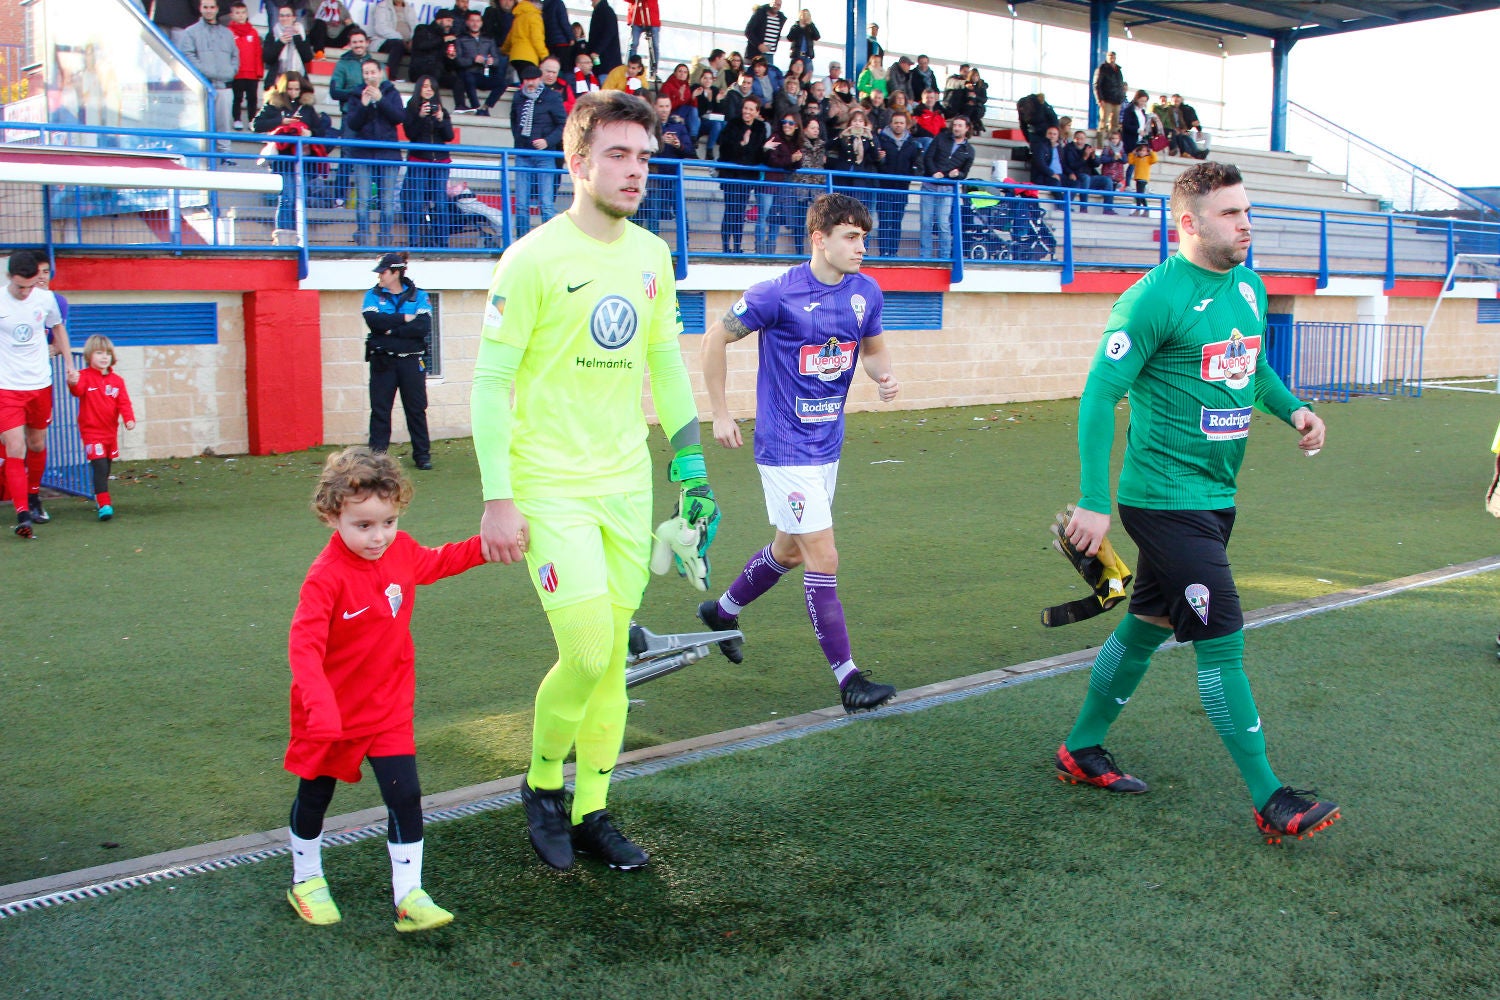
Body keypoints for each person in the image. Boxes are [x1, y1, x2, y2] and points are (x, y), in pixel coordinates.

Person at [471, 90, 720, 871]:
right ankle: (544, 785)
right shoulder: (532, 258)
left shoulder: (651, 255)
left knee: (611, 659)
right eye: (617, 154)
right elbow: (487, 384)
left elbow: (666, 364)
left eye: (645, 157)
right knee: (584, 649)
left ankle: (593, 810)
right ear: (576, 163)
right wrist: (496, 495)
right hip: (547, 484)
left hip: (625, 482)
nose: (635, 170)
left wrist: (692, 469)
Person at [1056, 161, 1340, 845]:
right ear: (1189, 222)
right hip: (1162, 500)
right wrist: (1095, 500)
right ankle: (1271, 798)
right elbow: (1099, 394)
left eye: (1247, 211)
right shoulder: (1152, 299)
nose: (1246, 224)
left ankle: (1080, 748)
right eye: (1231, 214)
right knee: (1222, 642)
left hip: (1216, 497)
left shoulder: (1247, 283)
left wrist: (1294, 408)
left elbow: (1254, 362)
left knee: (1149, 623)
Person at [699, 192, 900, 714]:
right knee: (822, 556)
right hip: (784, 448)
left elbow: (874, 352)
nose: (861, 247)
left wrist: (884, 378)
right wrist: (721, 413)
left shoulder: (866, 293)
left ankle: (721, 612)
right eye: (851, 237)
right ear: (820, 238)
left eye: (863, 237)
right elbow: (713, 340)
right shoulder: (776, 294)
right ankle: (848, 678)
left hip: (827, 447)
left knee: (788, 552)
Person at [283, 446, 488, 932]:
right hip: (330, 714)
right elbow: (303, 648)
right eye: (364, 526)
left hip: (389, 708)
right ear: (334, 516)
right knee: (315, 795)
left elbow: (437, 562)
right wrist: (320, 705)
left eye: (388, 522)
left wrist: (485, 547)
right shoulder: (325, 578)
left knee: (406, 795)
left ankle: (409, 894)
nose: (379, 537)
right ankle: (306, 878)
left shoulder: (399, 549)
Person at [0, 250, 73, 538]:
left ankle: (32, 496)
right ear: (9, 278)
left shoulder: (45, 298)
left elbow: (58, 329)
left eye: (30, 286)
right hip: (7, 387)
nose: (25, 292)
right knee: (15, 447)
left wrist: (69, 365)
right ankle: (22, 516)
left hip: (40, 384)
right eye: (20, 286)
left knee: (37, 444)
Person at [363, 252, 432, 468]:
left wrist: (391, 330)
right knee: (380, 410)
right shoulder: (372, 295)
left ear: (396, 272)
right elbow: (374, 321)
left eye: (383, 272)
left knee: (416, 409)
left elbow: (423, 326)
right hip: (383, 362)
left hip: (411, 362)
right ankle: (377, 459)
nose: (379, 276)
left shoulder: (419, 295)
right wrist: (404, 319)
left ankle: (422, 456)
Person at [63, 334, 135, 521]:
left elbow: (124, 402)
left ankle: (99, 494)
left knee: (106, 465)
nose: (104, 357)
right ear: (89, 355)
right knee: (100, 466)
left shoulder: (117, 381)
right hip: (91, 432)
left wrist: (129, 419)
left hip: (109, 432)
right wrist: (72, 381)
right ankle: (104, 504)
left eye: (107, 354)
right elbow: (77, 390)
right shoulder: (85, 377)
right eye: (99, 353)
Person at [253, 71, 321, 239]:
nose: (293, 92)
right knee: (288, 197)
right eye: (290, 89)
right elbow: (256, 125)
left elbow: (320, 132)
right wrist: (281, 122)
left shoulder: (308, 108)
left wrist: (308, 132)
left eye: (296, 89)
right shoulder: (273, 104)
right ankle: (283, 236)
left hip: (303, 160)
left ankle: (297, 236)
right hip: (283, 160)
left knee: (299, 199)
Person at [346, 58, 405, 244]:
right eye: (366, 73)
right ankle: (363, 238)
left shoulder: (392, 93)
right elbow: (352, 123)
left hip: (388, 154)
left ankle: (385, 240)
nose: (370, 76)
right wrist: (364, 105)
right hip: (363, 154)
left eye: (373, 72)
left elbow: (398, 117)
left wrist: (381, 100)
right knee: (363, 199)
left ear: (380, 73)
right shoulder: (356, 95)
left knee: (387, 201)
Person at [509, 63, 568, 235]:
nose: (530, 83)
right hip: (523, 153)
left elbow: (562, 125)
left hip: (544, 155)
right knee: (521, 204)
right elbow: (514, 121)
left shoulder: (552, 97)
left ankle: (548, 243)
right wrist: (520, 140)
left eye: (533, 79)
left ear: (539, 78)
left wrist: (547, 141)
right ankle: (522, 242)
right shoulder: (518, 97)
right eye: (527, 79)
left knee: (546, 203)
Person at [179, 0, 239, 151]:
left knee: (224, 125)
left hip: (224, 87)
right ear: (200, 8)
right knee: (201, 125)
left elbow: (235, 56)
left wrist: (231, 72)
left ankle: (225, 155)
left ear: (217, 9)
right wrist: (205, 72)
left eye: (212, 7)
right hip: (203, 87)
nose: (209, 10)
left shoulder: (227, 33)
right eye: (205, 7)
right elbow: (187, 56)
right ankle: (203, 157)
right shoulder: (190, 32)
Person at [403, 75, 455, 247]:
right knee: (416, 202)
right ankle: (415, 241)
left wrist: (440, 119)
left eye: (431, 87)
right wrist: (420, 116)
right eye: (424, 86)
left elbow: (449, 136)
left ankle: (442, 242)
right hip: (419, 160)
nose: (428, 90)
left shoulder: (441, 110)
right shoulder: (411, 108)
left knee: (440, 203)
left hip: (440, 162)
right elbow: (410, 134)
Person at [717, 92, 767, 254]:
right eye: (745, 108)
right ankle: (726, 247)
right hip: (730, 176)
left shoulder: (760, 128)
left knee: (739, 212)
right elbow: (725, 147)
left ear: (757, 112)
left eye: (751, 109)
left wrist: (762, 149)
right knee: (730, 211)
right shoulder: (733, 123)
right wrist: (742, 144)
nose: (747, 112)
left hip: (746, 178)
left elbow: (756, 152)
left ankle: (737, 246)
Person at [918, 115, 973, 258]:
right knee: (926, 222)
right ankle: (925, 256)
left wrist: (957, 174)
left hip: (947, 189)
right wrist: (934, 172)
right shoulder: (941, 138)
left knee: (943, 224)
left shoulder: (969, 150)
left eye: (960, 125)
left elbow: (964, 173)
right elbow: (928, 157)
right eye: (955, 125)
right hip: (929, 186)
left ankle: (944, 256)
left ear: (966, 128)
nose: (956, 128)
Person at [875, 109, 922, 256]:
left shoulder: (912, 144)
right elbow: (875, 162)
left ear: (906, 125)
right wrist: (879, 158)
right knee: (884, 220)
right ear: (891, 124)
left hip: (902, 189)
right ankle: (883, 253)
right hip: (884, 187)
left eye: (901, 123)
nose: (898, 125)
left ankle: (893, 252)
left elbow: (917, 165)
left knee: (896, 222)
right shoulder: (880, 140)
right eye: (896, 123)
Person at [761, 110, 803, 253]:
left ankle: (770, 250)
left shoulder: (796, 142)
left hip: (784, 186)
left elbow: (794, 167)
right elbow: (773, 161)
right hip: (770, 184)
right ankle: (761, 252)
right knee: (763, 218)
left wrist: (796, 160)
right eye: (784, 122)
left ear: (796, 126)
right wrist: (791, 159)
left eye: (791, 123)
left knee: (775, 219)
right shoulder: (775, 138)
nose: (787, 125)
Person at [456, 9, 507, 115]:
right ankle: (476, 107)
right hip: (469, 74)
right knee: (468, 77)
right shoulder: (461, 39)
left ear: (481, 23)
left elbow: (497, 60)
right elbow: (458, 61)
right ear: (467, 22)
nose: (475, 24)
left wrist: (492, 61)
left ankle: (486, 106)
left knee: (503, 82)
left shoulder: (489, 39)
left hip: (484, 74)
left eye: (478, 21)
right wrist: (473, 60)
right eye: (472, 21)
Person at [225, 1, 263, 130]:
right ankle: (236, 119)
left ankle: (252, 120)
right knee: (237, 98)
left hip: (252, 73)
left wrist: (259, 71)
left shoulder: (253, 32)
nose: (241, 16)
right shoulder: (228, 32)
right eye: (237, 13)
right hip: (237, 73)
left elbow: (258, 53)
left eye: (243, 13)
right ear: (232, 15)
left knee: (252, 99)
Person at [1060, 128, 1114, 212]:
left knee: (1107, 180)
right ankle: (1084, 207)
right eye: (1077, 139)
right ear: (1074, 139)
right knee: (1085, 178)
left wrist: (1093, 157)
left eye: (1082, 139)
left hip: (1090, 177)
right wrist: (1084, 157)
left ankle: (1108, 208)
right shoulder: (1069, 148)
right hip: (1076, 177)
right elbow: (1072, 165)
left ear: (1085, 140)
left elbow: (1096, 164)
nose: (1079, 141)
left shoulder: (1087, 147)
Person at [262, 4, 314, 89]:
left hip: (298, 80)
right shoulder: (272, 34)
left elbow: (307, 57)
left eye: (288, 16)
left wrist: (297, 37)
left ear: (294, 18)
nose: (284, 18)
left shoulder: (301, 33)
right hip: (277, 80)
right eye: (282, 16)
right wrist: (280, 43)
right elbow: (267, 59)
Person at [365, 0, 411, 81]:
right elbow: (381, 28)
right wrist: (401, 38)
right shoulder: (382, 6)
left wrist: (412, 39)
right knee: (398, 44)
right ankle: (391, 77)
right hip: (386, 40)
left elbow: (415, 27)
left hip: (407, 42)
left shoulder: (409, 8)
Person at [659, 63, 700, 144]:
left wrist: (693, 97)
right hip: (670, 114)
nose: (682, 74)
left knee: (695, 116)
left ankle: (693, 137)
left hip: (683, 114)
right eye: (680, 71)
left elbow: (690, 105)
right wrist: (680, 97)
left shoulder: (686, 86)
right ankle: (693, 138)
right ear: (675, 73)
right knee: (694, 118)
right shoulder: (667, 86)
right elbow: (667, 107)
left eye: (685, 72)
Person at [1093, 51, 1125, 147]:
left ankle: (1113, 146)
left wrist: (1121, 97)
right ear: (1107, 57)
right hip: (1106, 99)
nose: (1112, 58)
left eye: (1113, 56)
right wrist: (1099, 99)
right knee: (1103, 123)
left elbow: (1120, 85)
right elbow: (1096, 85)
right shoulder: (1102, 68)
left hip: (1117, 100)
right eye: (1110, 56)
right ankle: (1100, 145)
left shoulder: (1118, 70)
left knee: (1115, 125)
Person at [744, 0, 786, 68]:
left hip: (770, 55)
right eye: (775, 4)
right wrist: (759, 45)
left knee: (767, 77)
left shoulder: (781, 18)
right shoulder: (760, 13)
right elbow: (748, 31)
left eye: (779, 5)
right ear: (770, 3)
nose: (776, 6)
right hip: (755, 53)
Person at [625, 0, 660, 81]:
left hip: (651, 17)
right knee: (634, 44)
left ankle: (653, 72)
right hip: (636, 16)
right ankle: (630, 69)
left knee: (654, 46)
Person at [1126, 141, 1158, 215]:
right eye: (1140, 150)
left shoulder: (1148, 158)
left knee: (1139, 194)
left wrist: (1151, 152)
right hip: (1137, 178)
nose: (1141, 152)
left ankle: (1138, 209)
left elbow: (1155, 159)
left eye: (1143, 151)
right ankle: (1145, 208)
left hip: (1143, 179)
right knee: (1139, 194)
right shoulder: (1137, 158)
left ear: (1147, 152)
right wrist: (1132, 153)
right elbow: (1130, 161)